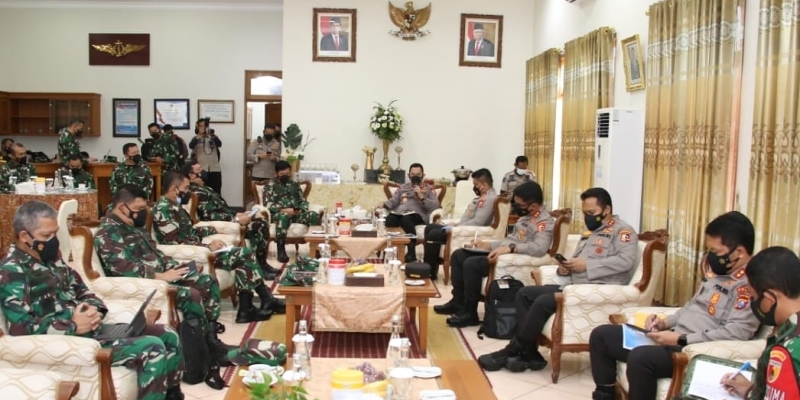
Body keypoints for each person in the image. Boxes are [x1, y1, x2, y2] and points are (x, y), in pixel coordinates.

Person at [0, 201, 184, 400]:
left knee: (168, 334)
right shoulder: (12, 270)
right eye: (46, 236)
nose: (54, 240)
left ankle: (172, 395)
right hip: (69, 342)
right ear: (25, 236)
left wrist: (94, 311)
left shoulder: (52, 258)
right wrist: (73, 326)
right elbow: (20, 327)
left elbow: (84, 291)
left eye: (55, 233)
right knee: (152, 347)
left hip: (93, 330)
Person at [587, 211, 760, 400]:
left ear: (739, 252)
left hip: (691, 350)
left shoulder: (749, 286)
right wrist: (664, 323)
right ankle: (605, 395)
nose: (710, 257)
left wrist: (681, 339)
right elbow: (691, 307)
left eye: (715, 252)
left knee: (641, 358)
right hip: (674, 337)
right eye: (709, 250)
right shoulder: (718, 273)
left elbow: (737, 333)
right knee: (602, 335)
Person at [478, 187, 641, 373]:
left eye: (591, 213)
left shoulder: (623, 231)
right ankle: (530, 353)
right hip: (574, 285)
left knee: (542, 301)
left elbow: (625, 261)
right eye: (585, 213)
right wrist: (566, 268)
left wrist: (587, 265)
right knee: (524, 294)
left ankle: (511, 350)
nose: (588, 218)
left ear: (607, 210)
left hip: (595, 290)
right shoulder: (591, 232)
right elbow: (578, 261)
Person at [94, 184, 227, 389]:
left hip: (164, 276)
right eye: (138, 209)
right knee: (190, 295)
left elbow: (156, 255)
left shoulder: (134, 226)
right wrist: (161, 276)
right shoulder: (107, 232)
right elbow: (122, 268)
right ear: (121, 207)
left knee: (207, 281)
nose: (142, 213)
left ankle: (210, 341)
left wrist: (179, 267)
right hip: (144, 284)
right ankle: (196, 363)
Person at [153, 171, 283, 323]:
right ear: (175, 189)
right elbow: (176, 242)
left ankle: (251, 306)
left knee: (244, 257)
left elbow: (190, 231)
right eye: (186, 188)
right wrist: (208, 246)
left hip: (199, 248)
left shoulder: (175, 206)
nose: (188, 191)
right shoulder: (163, 210)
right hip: (191, 255)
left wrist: (215, 230)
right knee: (245, 254)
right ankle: (258, 303)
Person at [436, 181, 554, 328]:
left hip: (511, 260)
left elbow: (539, 248)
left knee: (471, 264)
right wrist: (487, 244)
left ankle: (470, 313)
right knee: (458, 255)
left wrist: (512, 248)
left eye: (519, 204)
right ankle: (457, 302)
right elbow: (510, 240)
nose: (515, 207)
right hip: (503, 253)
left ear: (533, 206)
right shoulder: (526, 217)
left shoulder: (544, 223)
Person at [719, 246, 800, 400]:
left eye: (753, 297)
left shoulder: (789, 350)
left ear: (769, 299)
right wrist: (751, 391)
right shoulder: (788, 332)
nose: (753, 303)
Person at [182, 161, 280, 280]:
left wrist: (237, 213)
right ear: (191, 175)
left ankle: (263, 264)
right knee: (258, 226)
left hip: (230, 219)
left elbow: (222, 209)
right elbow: (210, 215)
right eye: (199, 170)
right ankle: (259, 269)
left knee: (261, 222)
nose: (203, 172)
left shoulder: (205, 188)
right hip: (224, 224)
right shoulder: (197, 192)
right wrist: (236, 219)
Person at [422, 168, 498, 280]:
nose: (474, 187)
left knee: (434, 233)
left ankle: (430, 272)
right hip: (461, 228)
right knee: (430, 227)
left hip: (466, 232)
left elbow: (478, 222)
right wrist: (456, 223)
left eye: (476, 185)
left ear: (484, 185)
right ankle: (428, 267)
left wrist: (458, 227)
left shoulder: (489, 199)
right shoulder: (484, 197)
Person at [377, 163, 440, 263]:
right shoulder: (403, 187)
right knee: (390, 219)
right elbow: (393, 201)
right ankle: (388, 251)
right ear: (409, 175)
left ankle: (411, 253)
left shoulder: (428, 189)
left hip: (417, 215)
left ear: (423, 175)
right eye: (413, 174)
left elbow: (435, 205)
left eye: (418, 174)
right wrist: (384, 204)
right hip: (400, 213)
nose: (415, 176)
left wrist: (421, 196)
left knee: (407, 219)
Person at [263, 160, 320, 263]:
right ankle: (281, 251)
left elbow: (302, 201)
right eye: (282, 174)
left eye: (287, 174)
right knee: (284, 216)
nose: (285, 176)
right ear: (276, 173)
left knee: (313, 215)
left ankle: (316, 248)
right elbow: (267, 204)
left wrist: (301, 209)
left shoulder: (294, 185)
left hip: (295, 214)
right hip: (279, 215)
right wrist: (283, 210)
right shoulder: (270, 185)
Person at [189, 119, 222, 194]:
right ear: (197, 128)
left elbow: (219, 144)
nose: (203, 128)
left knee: (216, 192)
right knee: (202, 192)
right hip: (202, 170)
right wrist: (199, 136)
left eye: (205, 126)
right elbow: (191, 145)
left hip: (215, 169)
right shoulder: (196, 139)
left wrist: (212, 135)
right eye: (201, 126)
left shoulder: (213, 137)